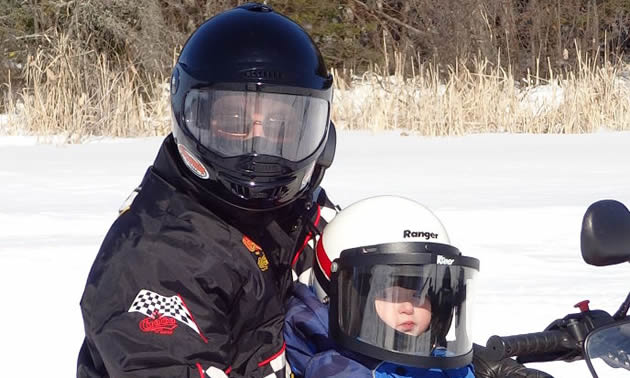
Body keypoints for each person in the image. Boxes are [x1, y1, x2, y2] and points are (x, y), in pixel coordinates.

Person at [77, 3, 337, 377]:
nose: (258, 143)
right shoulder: (159, 256)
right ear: (193, 118)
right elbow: (161, 364)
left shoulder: (292, 214)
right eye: (234, 122)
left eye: (281, 125)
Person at [284, 195, 553, 378]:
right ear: (344, 295)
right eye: (390, 293)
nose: (408, 308)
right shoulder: (336, 368)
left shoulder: (432, 357)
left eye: (420, 294)